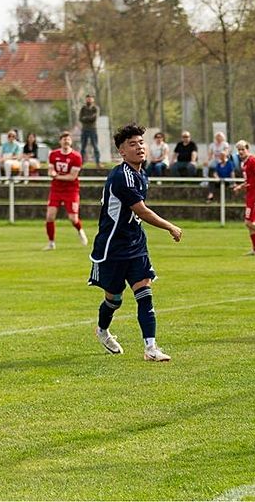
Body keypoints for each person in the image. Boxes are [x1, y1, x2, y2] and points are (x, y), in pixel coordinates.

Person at [89, 123, 182, 361]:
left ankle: (151, 348)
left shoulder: (141, 173)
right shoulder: (122, 177)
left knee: (145, 294)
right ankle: (102, 330)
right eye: (133, 144)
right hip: (112, 247)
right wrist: (170, 226)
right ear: (122, 151)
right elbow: (141, 211)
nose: (139, 147)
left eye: (141, 142)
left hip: (135, 245)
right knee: (114, 300)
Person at [44, 131, 88, 250]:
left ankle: (80, 230)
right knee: (50, 216)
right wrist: (51, 173)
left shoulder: (76, 156)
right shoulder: (53, 154)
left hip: (71, 190)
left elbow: (72, 176)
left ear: (71, 141)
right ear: (60, 141)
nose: (66, 141)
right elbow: (50, 170)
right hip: (56, 189)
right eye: (63, 139)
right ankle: (51, 242)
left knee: (73, 218)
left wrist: (56, 176)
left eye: (68, 139)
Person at [79, 94, 101, 167]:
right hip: (84, 129)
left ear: (93, 100)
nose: (89, 100)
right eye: (87, 98)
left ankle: (98, 163)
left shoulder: (95, 108)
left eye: (90, 98)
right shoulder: (83, 108)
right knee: (83, 147)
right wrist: (88, 118)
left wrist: (86, 118)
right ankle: (81, 163)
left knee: (95, 146)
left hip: (92, 129)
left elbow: (94, 118)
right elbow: (80, 118)